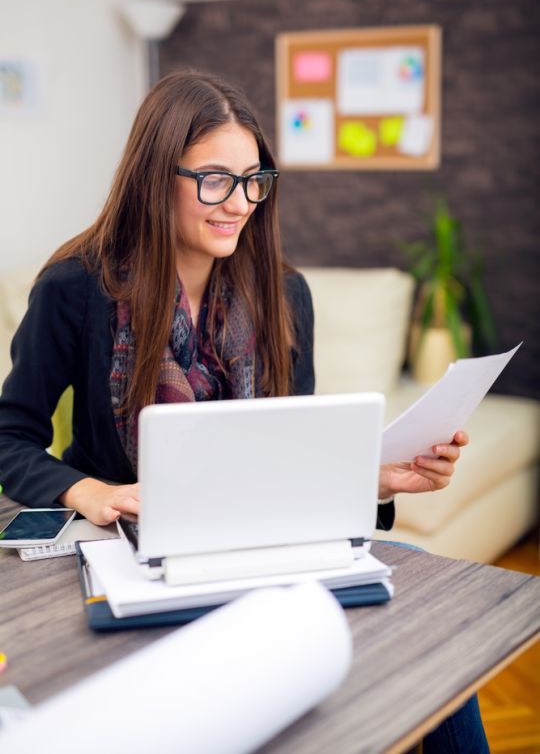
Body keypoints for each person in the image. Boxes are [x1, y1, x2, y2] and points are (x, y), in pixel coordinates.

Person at [0, 70, 488, 752]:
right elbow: (9, 436)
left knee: (436, 647)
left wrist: (374, 482)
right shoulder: (76, 287)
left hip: (262, 544)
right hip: (134, 555)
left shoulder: (284, 293)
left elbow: (295, 457)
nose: (240, 203)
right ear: (152, 176)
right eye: (216, 180)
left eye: (255, 180)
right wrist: (92, 490)